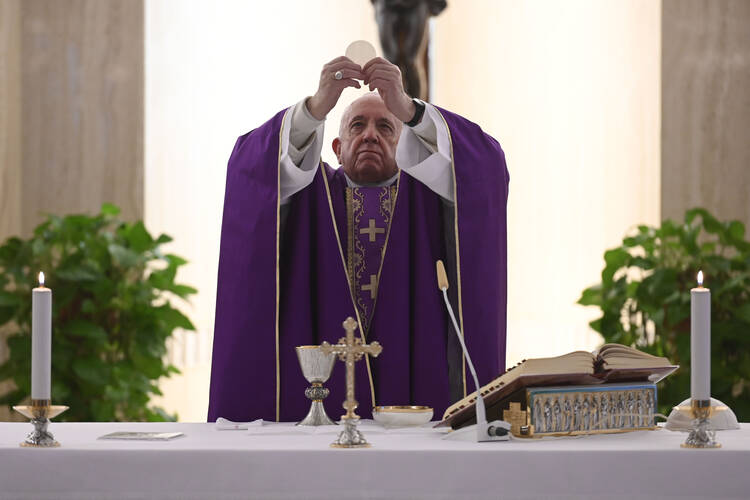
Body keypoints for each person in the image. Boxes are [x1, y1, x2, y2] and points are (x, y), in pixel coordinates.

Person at [208, 56, 509, 423]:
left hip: (415, 384)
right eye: (357, 125)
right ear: (336, 148)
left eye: (386, 127)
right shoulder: (306, 193)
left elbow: (484, 166)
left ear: (405, 147)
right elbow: (251, 170)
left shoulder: (429, 198)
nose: (370, 135)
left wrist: (411, 111)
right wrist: (314, 109)